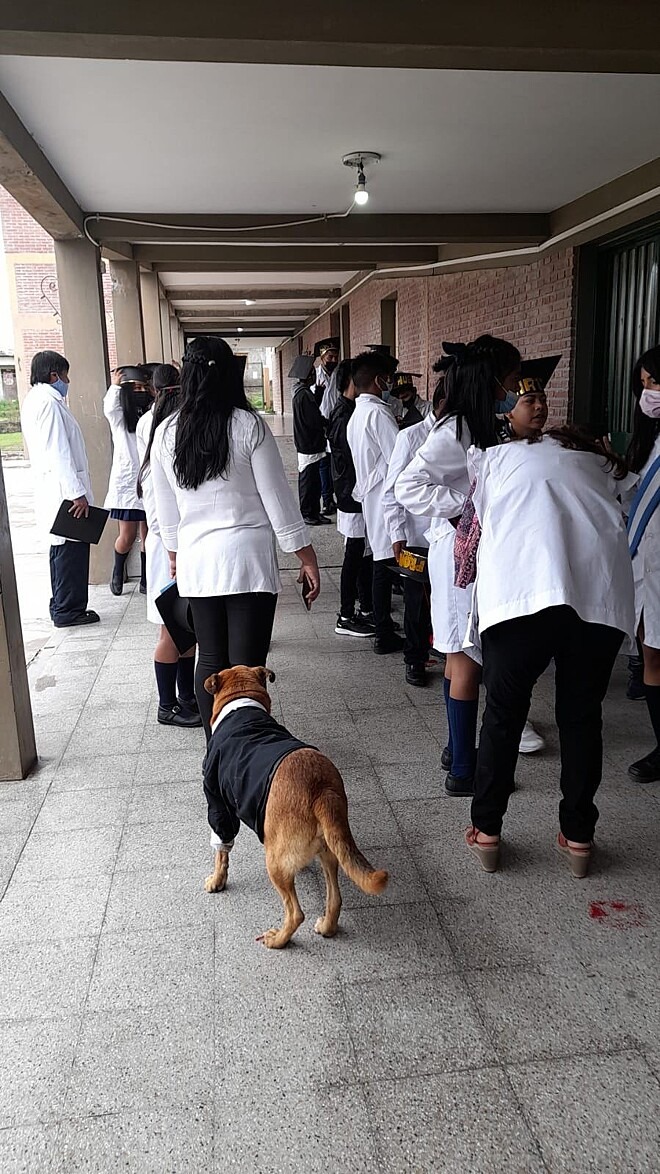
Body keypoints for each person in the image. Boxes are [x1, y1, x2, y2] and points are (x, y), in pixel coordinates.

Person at [463, 428, 635, 877]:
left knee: (503, 715)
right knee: (581, 717)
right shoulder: (600, 465)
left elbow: (477, 520)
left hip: (523, 595)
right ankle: (579, 837)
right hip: (596, 601)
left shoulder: (499, 458)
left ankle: (487, 831)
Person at [149, 335, 321, 738]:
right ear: (231, 375)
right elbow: (278, 499)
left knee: (209, 658)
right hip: (248, 562)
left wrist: (174, 554)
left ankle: (216, 755)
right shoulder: (248, 425)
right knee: (246, 666)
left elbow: (164, 511)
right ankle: (244, 745)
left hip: (197, 561)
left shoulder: (166, 432)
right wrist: (306, 555)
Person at [395, 335, 521, 794]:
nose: (514, 390)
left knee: (455, 653)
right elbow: (407, 485)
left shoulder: (475, 424)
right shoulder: (456, 430)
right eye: (509, 381)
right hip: (457, 555)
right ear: (489, 381)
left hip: (461, 551)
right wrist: (463, 506)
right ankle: (465, 770)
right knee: (466, 656)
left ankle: (456, 749)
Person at [136, 364, 201, 728]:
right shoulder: (157, 456)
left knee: (183, 629)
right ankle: (166, 705)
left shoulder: (157, 441)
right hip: (167, 554)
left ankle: (186, 697)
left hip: (176, 551)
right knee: (169, 632)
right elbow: (160, 520)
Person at [20, 350, 99, 628]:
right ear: (54, 374)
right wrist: (76, 492)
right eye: (65, 374)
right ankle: (69, 609)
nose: (67, 380)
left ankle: (62, 605)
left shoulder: (38, 400)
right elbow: (59, 452)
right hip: (64, 491)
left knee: (61, 551)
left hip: (55, 488)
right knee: (70, 552)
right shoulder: (50, 405)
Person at [383, 376, 448, 685]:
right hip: (416, 536)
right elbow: (391, 491)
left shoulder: (465, 433)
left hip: (452, 536)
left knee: (450, 595)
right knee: (416, 602)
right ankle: (415, 658)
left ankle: (451, 649)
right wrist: (397, 534)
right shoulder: (411, 436)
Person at [347, 351, 405, 655]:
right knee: (386, 564)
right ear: (378, 380)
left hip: (373, 498)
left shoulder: (358, 415)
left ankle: (383, 627)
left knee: (381, 562)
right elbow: (399, 457)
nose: (391, 384)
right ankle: (384, 631)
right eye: (388, 378)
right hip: (386, 496)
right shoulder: (379, 414)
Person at [625, 346, 660, 782]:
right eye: (645, 383)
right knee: (651, 651)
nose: (649, 392)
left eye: (656, 382)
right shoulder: (649, 439)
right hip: (648, 564)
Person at [326, 358, 375, 637]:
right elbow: (353, 457)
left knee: (362, 553)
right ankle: (345, 615)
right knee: (354, 554)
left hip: (353, 493)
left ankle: (365, 607)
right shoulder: (344, 414)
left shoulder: (348, 410)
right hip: (350, 494)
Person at [104, 366, 152, 595]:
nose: (141, 392)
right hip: (127, 482)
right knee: (127, 535)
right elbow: (109, 408)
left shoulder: (151, 415)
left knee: (149, 534)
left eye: (144, 387)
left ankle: (146, 578)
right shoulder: (120, 418)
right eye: (136, 388)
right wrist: (115, 386)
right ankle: (117, 571)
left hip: (148, 481)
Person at [290, 354, 332, 527]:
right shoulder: (303, 395)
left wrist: (320, 393)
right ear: (307, 376)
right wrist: (328, 423)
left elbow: (313, 409)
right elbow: (314, 418)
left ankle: (314, 512)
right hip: (308, 445)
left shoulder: (303, 393)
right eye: (312, 374)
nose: (315, 376)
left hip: (311, 444)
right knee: (308, 482)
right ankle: (307, 512)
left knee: (314, 481)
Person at [312, 338, 339, 514]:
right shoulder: (314, 374)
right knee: (323, 464)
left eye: (336, 357)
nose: (333, 361)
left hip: (337, 422)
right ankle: (326, 499)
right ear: (322, 357)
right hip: (321, 423)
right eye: (330, 357)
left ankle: (334, 498)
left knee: (335, 462)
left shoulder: (339, 374)